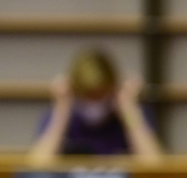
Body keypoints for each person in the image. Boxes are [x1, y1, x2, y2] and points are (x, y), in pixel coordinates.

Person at [29, 48, 164, 161]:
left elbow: (155, 165)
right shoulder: (59, 117)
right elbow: (36, 166)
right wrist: (62, 111)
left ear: (113, 88)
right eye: (88, 96)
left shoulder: (133, 117)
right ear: (75, 90)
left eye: (100, 95)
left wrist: (128, 109)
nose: (94, 103)